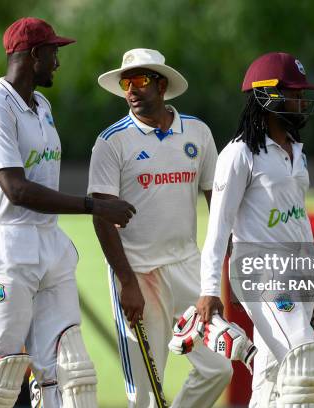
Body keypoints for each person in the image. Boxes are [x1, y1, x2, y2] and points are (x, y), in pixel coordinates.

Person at [0, 17, 135, 408]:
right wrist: (93, 206)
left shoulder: (42, 106)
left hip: (48, 244)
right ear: (34, 55)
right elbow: (16, 190)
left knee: (72, 372)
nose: (57, 61)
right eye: (53, 53)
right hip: (4, 246)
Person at [88, 48, 232, 407]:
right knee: (142, 395)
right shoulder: (111, 141)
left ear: (162, 85)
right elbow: (101, 216)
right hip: (137, 273)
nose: (131, 90)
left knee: (218, 368)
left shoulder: (197, 133)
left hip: (187, 269)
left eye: (140, 81)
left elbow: (217, 203)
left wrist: (217, 271)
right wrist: (127, 282)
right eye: (126, 82)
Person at [196, 52, 314, 407]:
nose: (302, 101)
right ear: (268, 96)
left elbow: (299, 219)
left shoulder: (296, 153)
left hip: (297, 272)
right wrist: (209, 290)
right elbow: (218, 226)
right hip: (261, 271)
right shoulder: (238, 155)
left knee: (273, 380)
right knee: (305, 364)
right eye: (295, 93)